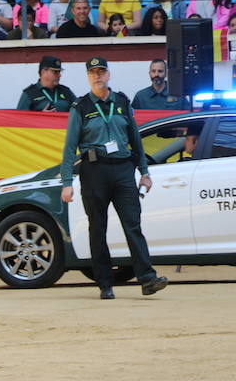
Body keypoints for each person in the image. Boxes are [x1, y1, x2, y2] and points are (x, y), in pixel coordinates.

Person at [60, 56, 169, 300]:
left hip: (122, 170)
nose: (98, 76)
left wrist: (144, 172)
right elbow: (69, 147)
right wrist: (67, 182)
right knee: (98, 229)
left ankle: (147, 278)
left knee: (133, 224)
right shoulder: (80, 107)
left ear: (109, 74)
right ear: (88, 77)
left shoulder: (121, 101)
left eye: (102, 71)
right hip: (94, 171)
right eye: (93, 72)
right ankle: (105, 284)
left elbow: (136, 140)